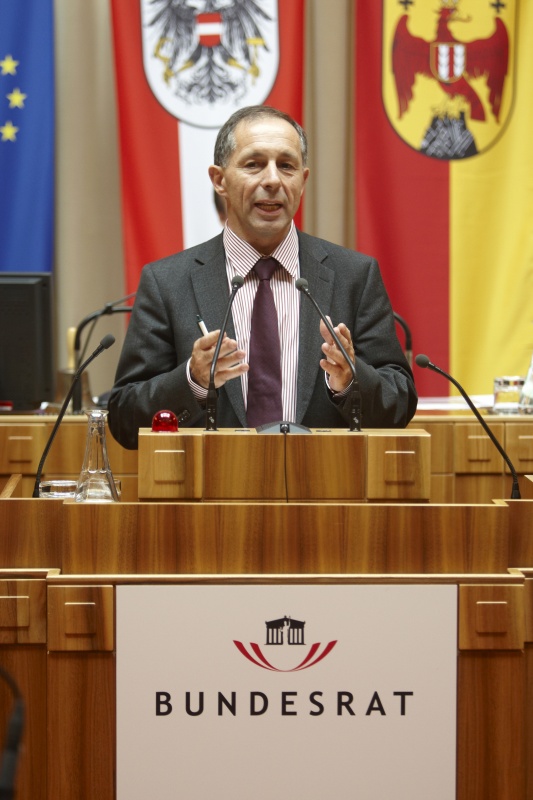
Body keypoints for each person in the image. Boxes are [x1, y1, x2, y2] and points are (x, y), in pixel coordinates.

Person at [108, 106, 417, 449]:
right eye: (254, 164)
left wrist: (350, 380)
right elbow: (125, 420)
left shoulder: (354, 276)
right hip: (210, 481)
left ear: (303, 180)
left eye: (286, 166)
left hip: (325, 481)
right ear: (219, 180)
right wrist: (192, 380)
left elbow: (399, 406)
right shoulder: (168, 282)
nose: (272, 180)